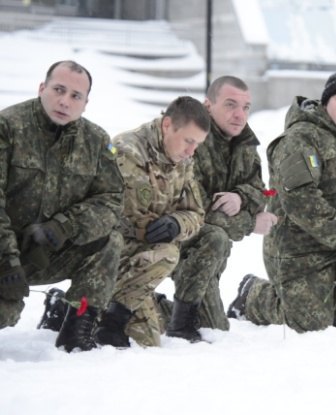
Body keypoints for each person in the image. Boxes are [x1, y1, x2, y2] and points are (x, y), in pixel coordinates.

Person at [227, 68, 336, 333]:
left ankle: (324, 311)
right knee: (311, 327)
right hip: (299, 251)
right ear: (326, 102)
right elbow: (299, 198)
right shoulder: (300, 138)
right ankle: (253, 295)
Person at [0, 60, 124, 352]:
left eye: (75, 96)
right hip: (6, 254)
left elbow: (112, 200)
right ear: (42, 88)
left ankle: (77, 328)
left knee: (108, 241)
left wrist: (65, 226)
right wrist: (7, 260)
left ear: (85, 103)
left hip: (48, 252)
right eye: (59, 90)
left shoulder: (96, 140)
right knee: (6, 312)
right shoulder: (8, 127)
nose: (65, 101)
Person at [155, 76, 277, 338]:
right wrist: (249, 223)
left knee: (210, 325)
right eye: (231, 105)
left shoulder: (244, 144)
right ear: (208, 106)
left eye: (246, 107)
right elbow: (194, 210)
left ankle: (135, 306)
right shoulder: (192, 142)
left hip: (209, 254)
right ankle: (111, 308)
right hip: (175, 241)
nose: (239, 114)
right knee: (210, 326)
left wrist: (240, 197)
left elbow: (258, 191)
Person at [90, 96, 209, 347]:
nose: (191, 151)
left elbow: (196, 213)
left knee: (148, 341)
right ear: (167, 125)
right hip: (110, 254)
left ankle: (98, 312)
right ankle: (91, 308)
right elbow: (113, 215)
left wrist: (177, 223)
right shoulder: (127, 150)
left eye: (197, 144)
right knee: (167, 253)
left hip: (144, 260)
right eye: (189, 141)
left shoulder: (184, 160)